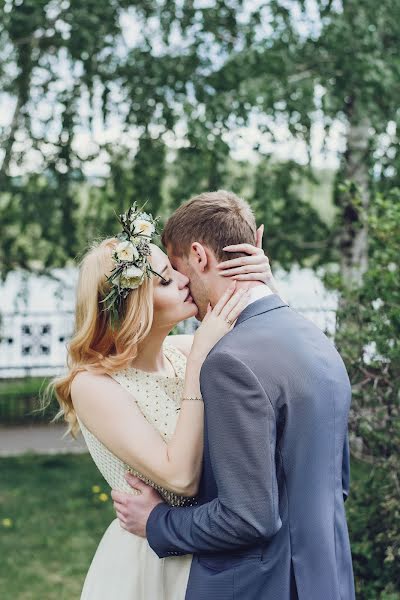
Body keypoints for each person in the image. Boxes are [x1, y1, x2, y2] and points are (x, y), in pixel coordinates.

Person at [112, 190, 355, 600]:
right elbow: (337, 483)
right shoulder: (315, 340)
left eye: (176, 268)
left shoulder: (228, 362)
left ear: (198, 255)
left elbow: (247, 518)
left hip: (261, 587)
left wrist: (156, 521)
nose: (182, 284)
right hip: (327, 579)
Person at [51, 199, 275, 599]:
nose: (187, 278)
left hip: (213, 551)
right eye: (168, 279)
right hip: (152, 565)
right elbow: (181, 479)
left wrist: (263, 281)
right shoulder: (95, 385)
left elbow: (279, 340)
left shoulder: (184, 349)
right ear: (135, 308)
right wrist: (198, 364)